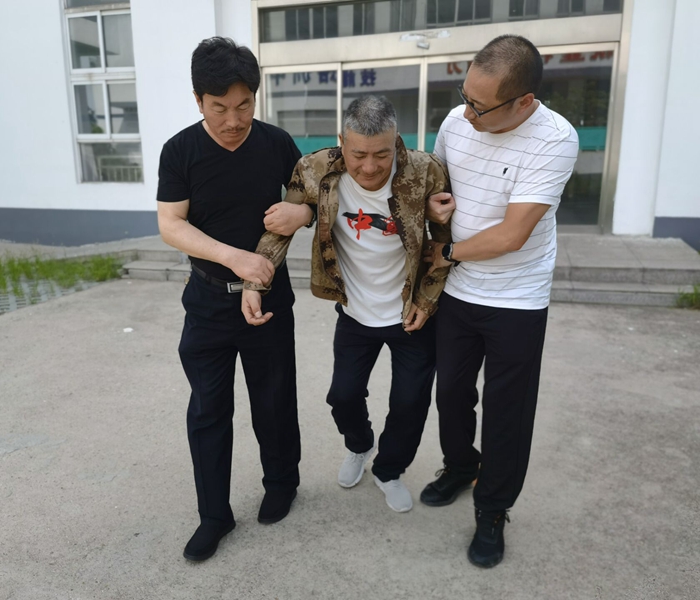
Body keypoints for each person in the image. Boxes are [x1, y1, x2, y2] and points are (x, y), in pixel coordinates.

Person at [242, 95, 453, 513]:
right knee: (343, 396)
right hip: (354, 312)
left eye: (382, 154)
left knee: (410, 403)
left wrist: (428, 301)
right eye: (358, 155)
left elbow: (444, 245)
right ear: (342, 141)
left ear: (397, 141)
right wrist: (254, 282)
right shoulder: (314, 168)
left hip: (410, 312)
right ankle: (360, 445)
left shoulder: (425, 170)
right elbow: (282, 226)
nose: (370, 167)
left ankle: (389, 470)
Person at [420, 34, 579, 568]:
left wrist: (445, 252)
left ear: (524, 101)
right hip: (459, 290)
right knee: (451, 394)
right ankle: (462, 466)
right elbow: (436, 190)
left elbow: (512, 235)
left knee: (508, 410)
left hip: (517, 296)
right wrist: (435, 209)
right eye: (464, 96)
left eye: (480, 107)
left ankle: (492, 508)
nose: (466, 114)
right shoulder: (456, 121)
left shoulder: (554, 139)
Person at [156, 37, 302, 562]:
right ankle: (214, 515)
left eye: (244, 105)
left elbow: (310, 195)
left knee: (274, 400)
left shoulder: (277, 143)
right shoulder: (180, 151)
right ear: (199, 100)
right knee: (208, 410)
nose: (234, 120)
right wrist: (234, 258)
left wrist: (302, 213)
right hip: (209, 301)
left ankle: (282, 483)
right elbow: (171, 223)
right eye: (219, 108)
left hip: (271, 298)